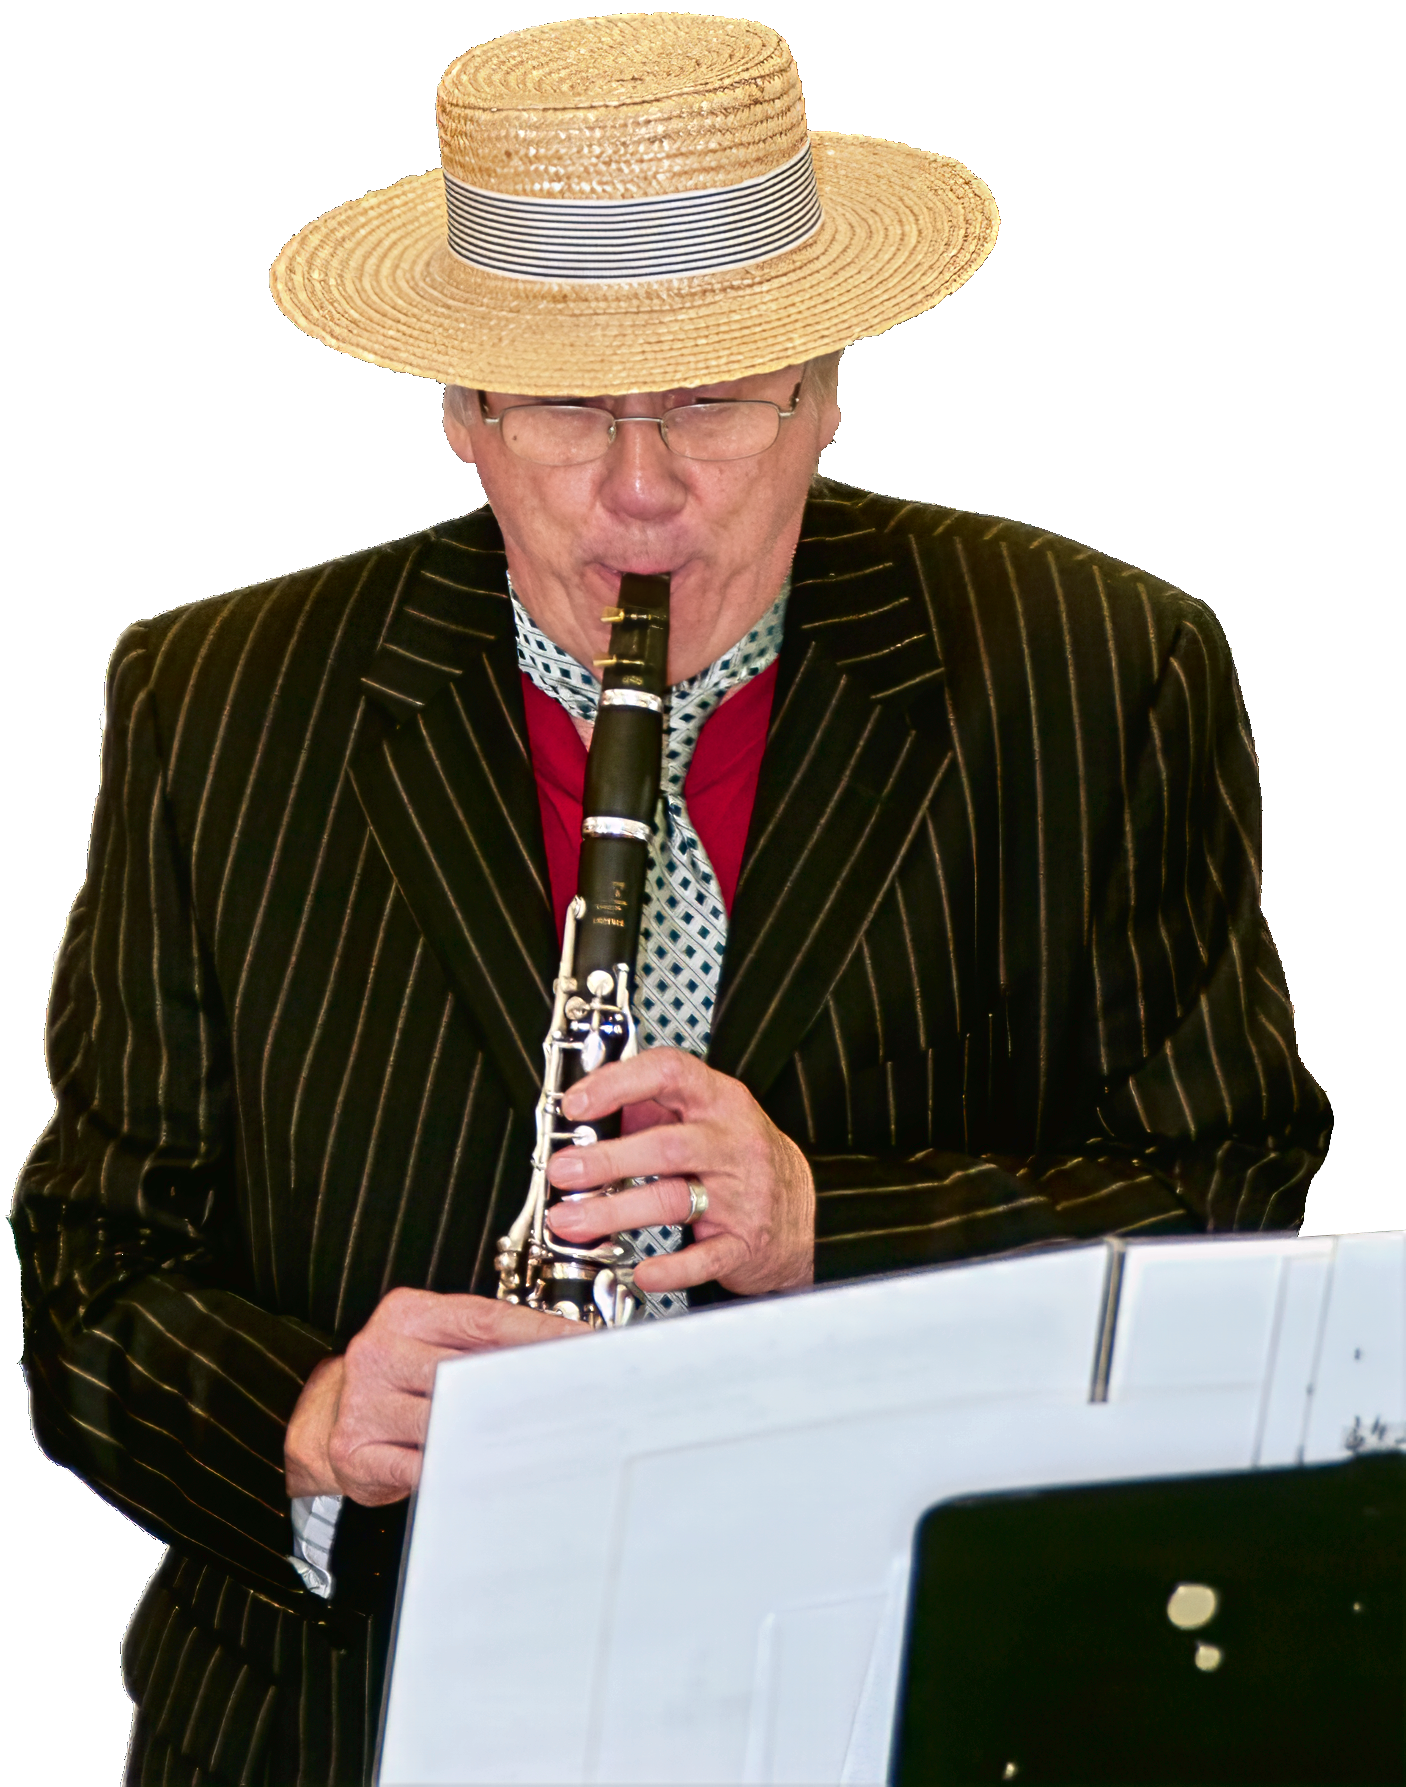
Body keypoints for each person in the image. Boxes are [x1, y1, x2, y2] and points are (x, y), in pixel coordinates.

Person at [10, 14, 1329, 1787]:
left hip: (931, 1693)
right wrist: (309, 1418)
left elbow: (1238, 1203)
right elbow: (90, 1268)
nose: (640, 494)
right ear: (461, 408)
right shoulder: (215, 699)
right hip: (345, 1713)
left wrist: (821, 1224)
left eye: (712, 394)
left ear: (827, 381)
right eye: (563, 402)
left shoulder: (1100, 665)